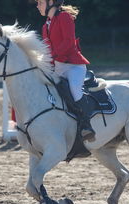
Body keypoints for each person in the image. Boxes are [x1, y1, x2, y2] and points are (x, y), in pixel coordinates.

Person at [36, 0, 96, 141]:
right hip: (57, 67)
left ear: (51, 2)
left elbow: (68, 42)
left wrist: (54, 57)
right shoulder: (45, 26)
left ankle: (86, 125)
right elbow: (47, 49)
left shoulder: (64, 17)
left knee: (75, 90)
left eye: (40, 2)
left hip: (73, 66)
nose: (37, 6)